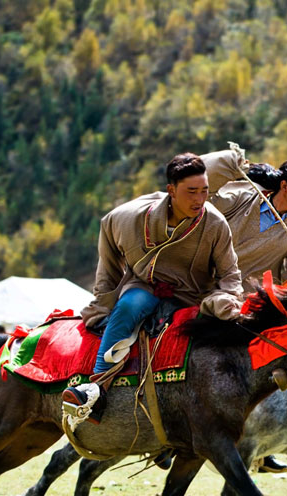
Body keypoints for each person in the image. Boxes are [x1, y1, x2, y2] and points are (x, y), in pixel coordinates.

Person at [64, 153, 244, 422]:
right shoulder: (128, 218)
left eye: (204, 191)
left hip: (194, 296)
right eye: (191, 191)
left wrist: (227, 298)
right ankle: (96, 389)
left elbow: (230, 274)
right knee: (128, 307)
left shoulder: (216, 224)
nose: (199, 199)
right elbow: (109, 257)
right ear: (171, 190)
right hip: (146, 286)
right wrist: (104, 299)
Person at [201, 146, 287, 473]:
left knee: (277, 356)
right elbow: (203, 192)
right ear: (284, 184)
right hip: (207, 287)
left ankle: (259, 444)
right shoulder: (242, 197)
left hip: (250, 303)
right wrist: (237, 166)